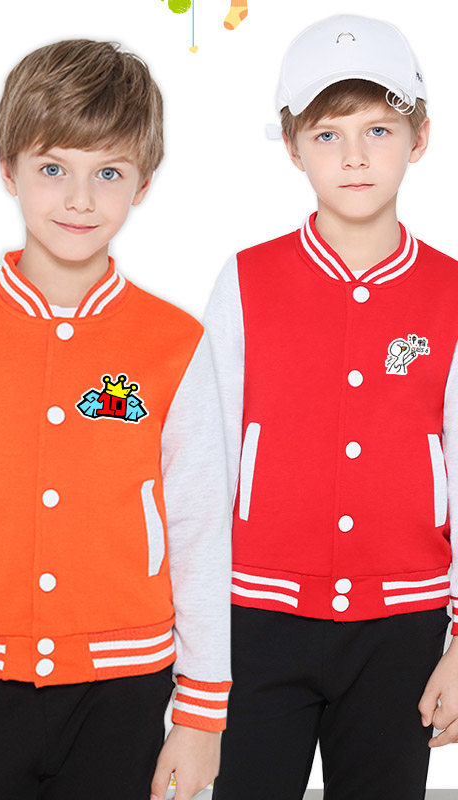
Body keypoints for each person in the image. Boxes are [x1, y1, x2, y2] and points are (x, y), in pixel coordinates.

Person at [0, 38, 232, 800]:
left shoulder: (175, 343)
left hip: (125, 687)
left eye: (108, 173)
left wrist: (202, 712)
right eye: (53, 169)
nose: (80, 199)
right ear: (9, 169)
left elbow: (199, 533)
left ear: (144, 181)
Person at [205, 14, 458, 799]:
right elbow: (203, 464)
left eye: (378, 129)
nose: (354, 156)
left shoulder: (450, 292)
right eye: (327, 134)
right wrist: (195, 640)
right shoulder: (245, 281)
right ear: (292, 147)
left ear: (419, 137)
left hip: (404, 627)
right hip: (256, 619)